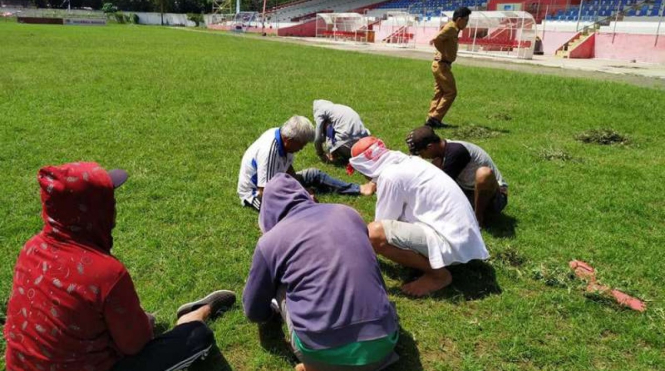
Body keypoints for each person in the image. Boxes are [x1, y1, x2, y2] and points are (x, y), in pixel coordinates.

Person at [3, 162, 236, 371]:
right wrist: (144, 324)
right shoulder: (106, 273)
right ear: (94, 211)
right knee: (196, 337)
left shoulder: (31, 248)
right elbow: (137, 345)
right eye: (107, 199)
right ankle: (197, 313)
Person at [243, 173, 400, 371]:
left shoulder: (270, 242)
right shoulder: (349, 213)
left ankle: (315, 365)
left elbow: (252, 310)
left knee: (280, 283)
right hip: (384, 344)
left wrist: (269, 313)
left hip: (323, 357)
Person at [348, 137, 489, 297]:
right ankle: (430, 261)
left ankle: (438, 275)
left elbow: (381, 226)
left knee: (375, 234)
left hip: (451, 243)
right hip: (463, 238)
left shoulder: (390, 176)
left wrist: (354, 248)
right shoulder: (408, 162)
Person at [237, 115, 375, 211]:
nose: (301, 148)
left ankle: (359, 189)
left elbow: (287, 167)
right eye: (301, 144)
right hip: (255, 193)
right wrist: (301, 195)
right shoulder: (269, 151)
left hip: (277, 181)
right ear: (289, 140)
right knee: (296, 207)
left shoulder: (283, 138)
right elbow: (266, 192)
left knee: (314, 174)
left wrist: (300, 187)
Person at [406, 126, 508, 227]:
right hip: (470, 190)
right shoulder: (443, 152)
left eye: (420, 153)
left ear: (430, 147)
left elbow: (441, 188)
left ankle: (478, 219)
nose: (422, 157)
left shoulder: (456, 152)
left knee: (484, 173)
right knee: (436, 166)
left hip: (495, 198)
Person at [426, 6, 471, 129]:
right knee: (451, 92)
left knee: (440, 92)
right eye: (466, 20)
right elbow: (436, 40)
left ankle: (431, 119)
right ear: (459, 19)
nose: (467, 23)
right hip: (442, 65)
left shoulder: (454, 28)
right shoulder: (451, 28)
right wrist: (444, 53)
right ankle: (435, 118)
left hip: (440, 64)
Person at [312, 99, 371, 165]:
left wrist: (320, 153)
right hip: (365, 143)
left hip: (348, 146)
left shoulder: (320, 111)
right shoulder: (339, 108)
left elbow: (317, 138)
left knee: (328, 127)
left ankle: (333, 155)